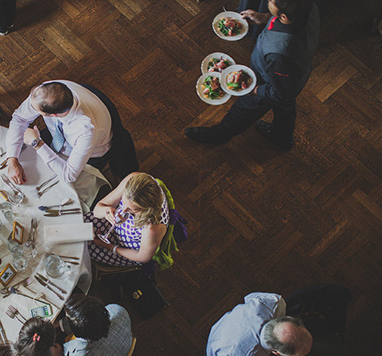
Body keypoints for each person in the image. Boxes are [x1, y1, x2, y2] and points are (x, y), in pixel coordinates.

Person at [185, 0, 320, 151]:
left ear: (283, 15)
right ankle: (281, 136)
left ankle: (219, 134)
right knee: (285, 106)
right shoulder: (308, 8)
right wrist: (265, 17)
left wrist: (254, 90)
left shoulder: (279, 53)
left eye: (271, 1)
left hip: (266, 84)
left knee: (244, 110)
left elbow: (280, 93)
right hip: (295, 75)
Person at [201, 292, 313, 356]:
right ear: (277, 353)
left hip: (230, 326)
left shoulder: (275, 302)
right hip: (219, 350)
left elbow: (249, 297)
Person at [6, 80, 113, 185]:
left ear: (53, 115)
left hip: (89, 156)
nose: (30, 107)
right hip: (54, 138)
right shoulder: (47, 92)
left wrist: (37, 143)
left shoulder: (87, 130)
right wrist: (12, 159)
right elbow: (19, 118)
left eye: (36, 110)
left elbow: (69, 175)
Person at [84, 172, 168, 267]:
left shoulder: (152, 228)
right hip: (115, 228)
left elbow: (142, 257)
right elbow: (97, 211)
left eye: (131, 209)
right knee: (77, 225)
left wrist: (111, 247)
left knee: (83, 249)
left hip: (127, 250)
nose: (122, 211)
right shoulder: (133, 181)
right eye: (123, 203)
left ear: (146, 209)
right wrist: (105, 211)